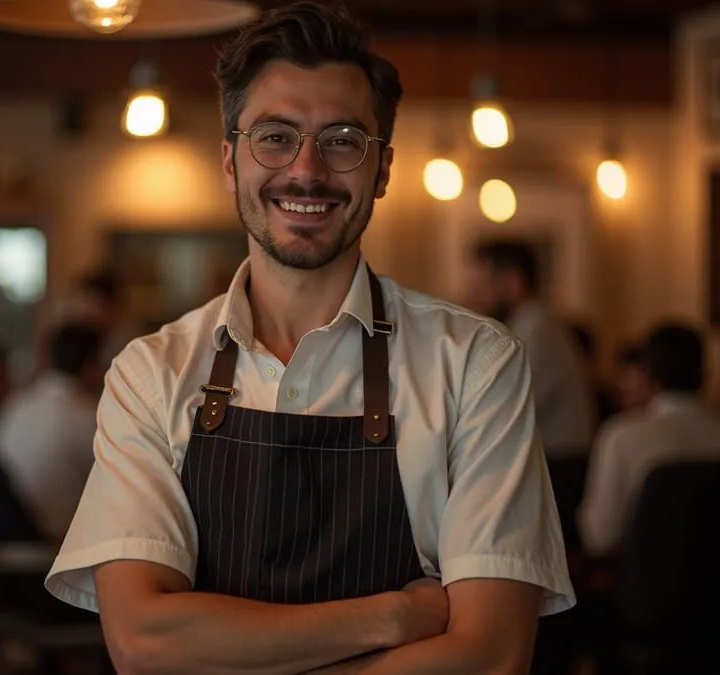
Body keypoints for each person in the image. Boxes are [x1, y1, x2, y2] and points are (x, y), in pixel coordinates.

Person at [45, 3, 574, 673]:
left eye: (343, 139)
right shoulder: (151, 373)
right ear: (230, 160)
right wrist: (391, 615)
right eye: (275, 136)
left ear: (381, 169)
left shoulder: (475, 364)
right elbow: (145, 643)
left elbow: (491, 655)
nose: (307, 170)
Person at [577, 322, 720, 558]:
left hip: (646, 586)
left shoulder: (621, 436)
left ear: (649, 376)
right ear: (705, 375)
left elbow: (599, 537)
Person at [469, 240, 594, 458]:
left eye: (485, 284)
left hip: (559, 465)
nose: (477, 294)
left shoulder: (535, 334)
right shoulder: (532, 325)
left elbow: (506, 406)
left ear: (513, 282)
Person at [0, 324, 103, 543]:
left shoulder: (17, 404)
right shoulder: (88, 417)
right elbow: (108, 489)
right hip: (51, 547)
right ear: (91, 366)